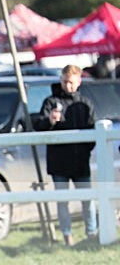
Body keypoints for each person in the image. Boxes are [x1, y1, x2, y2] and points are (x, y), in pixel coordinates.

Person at [33, 64, 97, 247]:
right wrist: (49, 121)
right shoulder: (51, 102)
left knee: (88, 199)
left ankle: (92, 233)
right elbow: (38, 125)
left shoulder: (85, 103)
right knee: (62, 201)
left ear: (78, 82)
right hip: (59, 161)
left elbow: (93, 131)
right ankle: (67, 235)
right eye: (64, 81)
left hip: (80, 160)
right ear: (60, 80)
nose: (67, 86)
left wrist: (84, 151)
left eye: (71, 82)